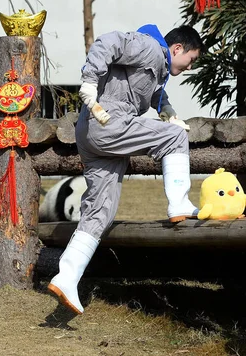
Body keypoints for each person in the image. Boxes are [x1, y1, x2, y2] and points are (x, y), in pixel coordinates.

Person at [48, 24, 204, 315]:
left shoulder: (158, 67)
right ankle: (179, 202)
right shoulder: (148, 47)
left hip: (91, 134)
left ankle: (66, 277)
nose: (190, 66)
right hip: (108, 123)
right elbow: (108, 42)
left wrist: (166, 109)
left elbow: (154, 92)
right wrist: (89, 82)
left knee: (101, 210)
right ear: (177, 49)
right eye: (191, 60)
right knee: (175, 136)